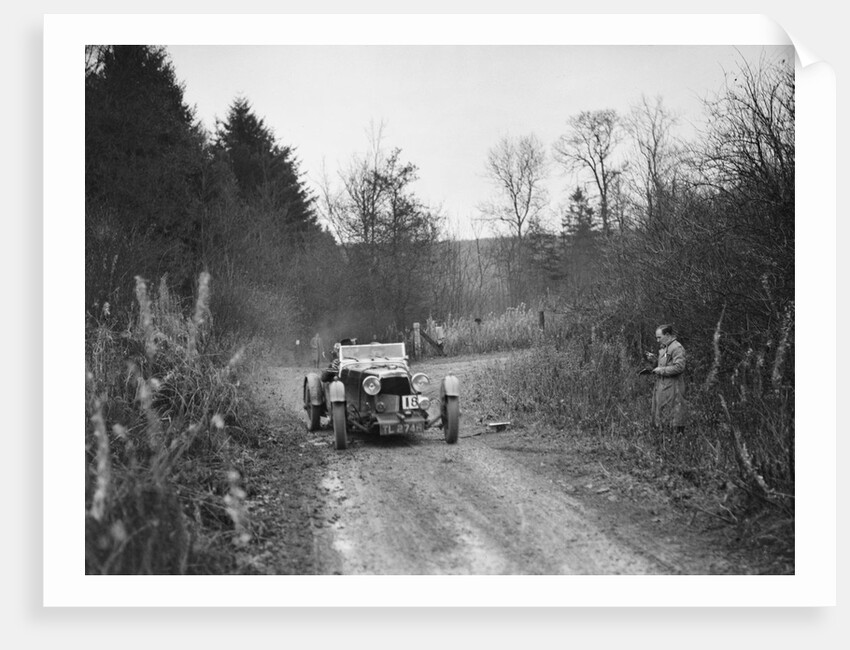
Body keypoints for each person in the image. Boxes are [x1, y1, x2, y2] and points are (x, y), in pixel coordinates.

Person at [645, 324, 687, 435]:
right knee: (662, 414)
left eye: (659, 337)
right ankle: (664, 441)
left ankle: (675, 442)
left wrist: (661, 370)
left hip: (674, 388)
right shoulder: (665, 348)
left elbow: (679, 367)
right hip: (663, 387)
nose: (657, 340)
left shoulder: (677, 348)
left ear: (667, 335)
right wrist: (654, 360)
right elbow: (664, 363)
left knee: (675, 416)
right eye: (657, 337)